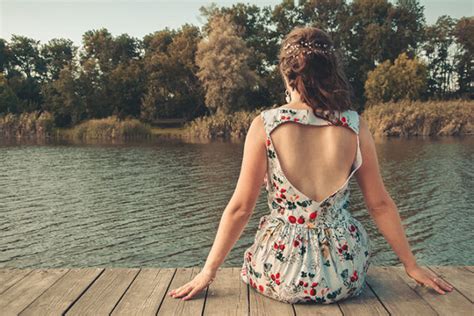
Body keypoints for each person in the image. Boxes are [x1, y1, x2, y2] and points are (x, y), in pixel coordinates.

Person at [168, 26, 453, 303]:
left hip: (282, 273)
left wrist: (208, 271)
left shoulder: (265, 125)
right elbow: (379, 204)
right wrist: (411, 265)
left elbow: (241, 208)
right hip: (344, 273)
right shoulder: (354, 124)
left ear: (286, 72)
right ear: (331, 72)